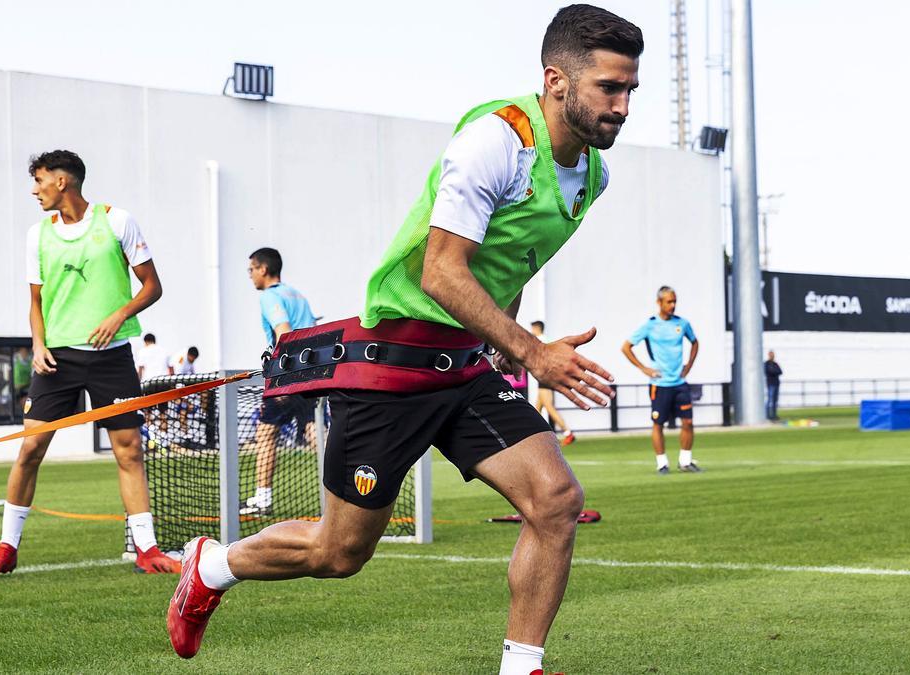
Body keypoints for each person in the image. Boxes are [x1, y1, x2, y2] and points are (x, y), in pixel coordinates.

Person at [168, 7, 642, 673]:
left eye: (629, 91)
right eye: (608, 88)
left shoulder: (592, 175)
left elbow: (507, 260)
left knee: (557, 499)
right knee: (339, 553)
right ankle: (211, 565)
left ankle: (521, 666)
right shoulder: (497, 140)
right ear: (556, 80)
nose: (622, 106)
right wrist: (533, 352)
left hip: (464, 369)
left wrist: (505, 340)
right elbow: (441, 270)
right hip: (392, 366)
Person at [0, 150, 180, 578]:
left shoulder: (117, 221)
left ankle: (148, 549)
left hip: (112, 357)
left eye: (40, 181)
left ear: (62, 182)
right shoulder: (37, 235)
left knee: (130, 451)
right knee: (31, 449)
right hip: (57, 360)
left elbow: (153, 286)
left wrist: (119, 314)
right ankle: (6, 550)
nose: (34, 190)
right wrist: (38, 344)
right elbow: (35, 301)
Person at [241, 247, 318, 516]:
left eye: (251, 269)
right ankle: (342, 493)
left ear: (263, 269)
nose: (250, 275)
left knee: (265, 434)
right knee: (315, 431)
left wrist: (283, 377)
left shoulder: (270, 296)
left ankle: (262, 499)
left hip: (288, 372)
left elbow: (284, 333)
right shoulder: (297, 294)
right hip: (311, 372)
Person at [621, 286, 701, 474]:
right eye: (669, 302)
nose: (673, 305)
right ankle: (662, 463)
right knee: (658, 424)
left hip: (680, 384)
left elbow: (695, 342)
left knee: (688, 422)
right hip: (660, 385)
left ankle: (685, 461)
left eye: (674, 301)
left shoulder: (683, 323)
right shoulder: (650, 325)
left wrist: (688, 366)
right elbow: (626, 347)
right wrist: (644, 369)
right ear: (659, 303)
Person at [530, 320, 575, 446]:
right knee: (536, 409)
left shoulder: (538, 339)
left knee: (549, 407)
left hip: (544, 376)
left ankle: (568, 433)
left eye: (532, 328)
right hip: (545, 376)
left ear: (536, 328)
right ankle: (534, 436)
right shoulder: (546, 339)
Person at [764, 350, 783, 421]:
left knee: (775, 400)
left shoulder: (775, 364)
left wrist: (774, 371)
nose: (772, 356)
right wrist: (774, 371)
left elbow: (780, 371)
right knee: (770, 400)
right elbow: (769, 371)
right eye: (771, 355)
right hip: (770, 384)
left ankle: (774, 415)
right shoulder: (767, 364)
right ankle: (768, 415)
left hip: (776, 383)